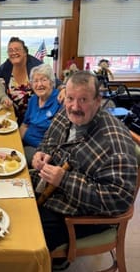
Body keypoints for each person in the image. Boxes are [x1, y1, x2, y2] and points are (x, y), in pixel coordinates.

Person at [31, 71, 138, 261]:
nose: (74, 106)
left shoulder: (115, 143)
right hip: (50, 190)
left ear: (97, 101)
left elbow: (119, 200)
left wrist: (65, 180)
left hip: (80, 214)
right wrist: (42, 153)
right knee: (12, 205)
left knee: (27, 241)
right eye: (70, 98)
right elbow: (48, 140)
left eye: (83, 100)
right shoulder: (65, 113)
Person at [0, 36, 64, 125]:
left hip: (33, 120)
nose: (13, 52)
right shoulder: (8, 65)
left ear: (25, 52)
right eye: (10, 50)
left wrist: (63, 89)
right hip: (13, 117)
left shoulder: (35, 65)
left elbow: (54, 81)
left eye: (17, 49)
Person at [20, 64, 63, 167]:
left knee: (16, 159)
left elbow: (60, 137)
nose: (39, 84)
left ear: (52, 82)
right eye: (35, 81)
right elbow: (25, 125)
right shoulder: (33, 99)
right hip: (26, 143)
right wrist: (16, 143)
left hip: (42, 152)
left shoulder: (59, 100)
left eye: (44, 80)